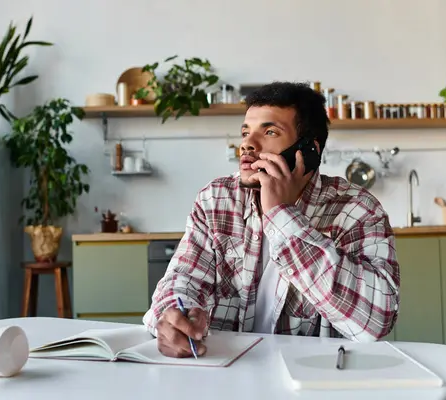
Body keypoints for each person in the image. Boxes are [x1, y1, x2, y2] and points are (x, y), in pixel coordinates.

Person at [143, 81, 400, 358]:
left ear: (308, 151)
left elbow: (377, 320)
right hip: (224, 373)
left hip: (314, 380)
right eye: (245, 132)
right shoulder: (216, 199)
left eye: (269, 131)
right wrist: (174, 317)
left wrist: (282, 215)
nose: (247, 144)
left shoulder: (358, 209)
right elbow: (182, 281)